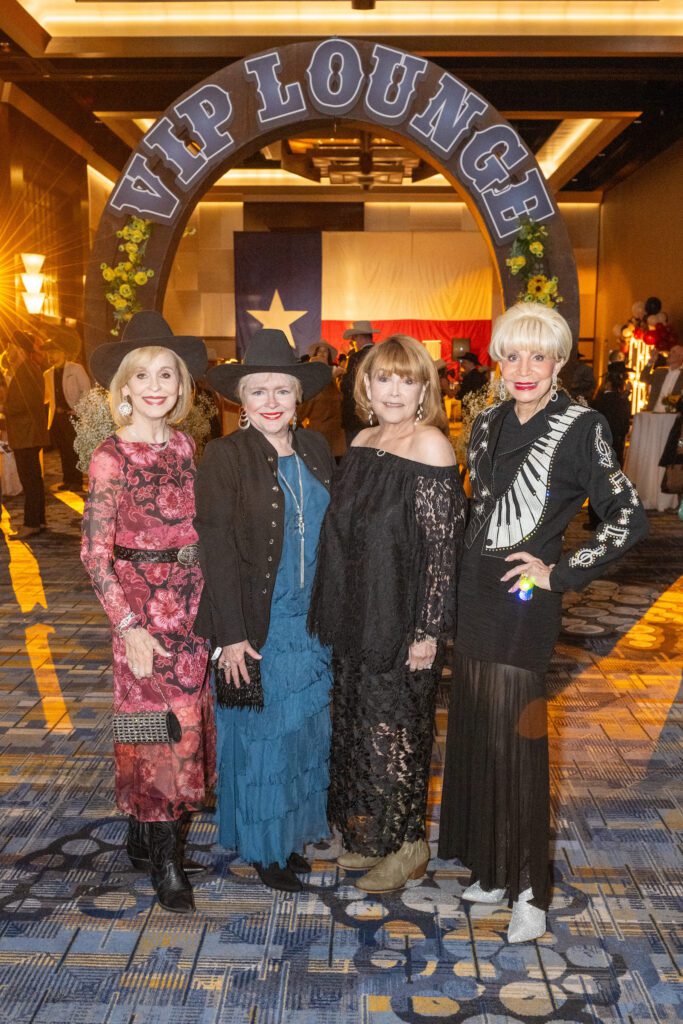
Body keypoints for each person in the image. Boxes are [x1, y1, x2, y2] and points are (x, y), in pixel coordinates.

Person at [438, 302, 649, 943]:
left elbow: (628, 518)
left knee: (518, 743)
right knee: (477, 732)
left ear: (559, 362)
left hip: (524, 602)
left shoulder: (581, 426)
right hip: (473, 596)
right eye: (513, 355)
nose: (524, 368)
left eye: (539, 355)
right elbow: (481, 507)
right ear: (498, 361)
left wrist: (561, 572)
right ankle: (495, 870)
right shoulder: (488, 421)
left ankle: (532, 889)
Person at [310, 335, 466, 893]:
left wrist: (428, 631)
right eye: (384, 378)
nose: (395, 389)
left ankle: (409, 844)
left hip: (402, 620)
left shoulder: (431, 447)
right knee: (359, 725)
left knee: (400, 730)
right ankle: (373, 837)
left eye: (407, 378)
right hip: (357, 613)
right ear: (366, 386)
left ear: (426, 387)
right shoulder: (366, 440)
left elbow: (443, 551)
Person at [81, 311, 215, 914]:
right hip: (137, 608)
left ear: (182, 386)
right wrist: (128, 626)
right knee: (151, 732)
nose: (156, 386)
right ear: (125, 388)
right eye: (144, 376)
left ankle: (144, 833)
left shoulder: (186, 444)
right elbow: (94, 551)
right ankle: (164, 860)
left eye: (168, 374)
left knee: (182, 725)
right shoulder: (111, 456)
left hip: (189, 603)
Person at [193, 328, 335, 893]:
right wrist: (230, 635)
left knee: (304, 732)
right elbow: (217, 549)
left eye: (283, 390)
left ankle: (290, 834)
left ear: (299, 397)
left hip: (312, 620)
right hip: (257, 620)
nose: (272, 401)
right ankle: (264, 847)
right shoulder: (224, 456)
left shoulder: (318, 448)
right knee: (263, 737)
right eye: (259, 391)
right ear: (241, 401)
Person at [3, 331, 50, 539]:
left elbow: (27, 402)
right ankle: (38, 521)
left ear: (20, 349)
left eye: (12, 347)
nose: (8, 351)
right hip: (27, 432)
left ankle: (31, 523)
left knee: (30, 480)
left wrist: (4, 407)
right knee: (34, 480)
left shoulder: (27, 370)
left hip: (26, 432)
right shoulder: (25, 369)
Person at [44, 345, 91, 490]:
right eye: (49, 352)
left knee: (74, 449)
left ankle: (76, 481)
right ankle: (67, 479)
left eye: (54, 351)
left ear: (63, 353)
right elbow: (47, 397)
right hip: (56, 418)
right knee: (63, 450)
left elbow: (86, 390)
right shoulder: (47, 373)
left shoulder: (75, 369)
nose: (51, 355)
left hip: (72, 415)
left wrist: (77, 409)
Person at [299, 341, 346, 461]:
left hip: (332, 438)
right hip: (323, 438)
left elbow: (300, 413)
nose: (322, 353)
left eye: (325, 351)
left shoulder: (330, 381)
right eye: (319, 351)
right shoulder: (320, 383)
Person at [340, 320, 379, 445]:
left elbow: (348, 386)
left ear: (360, 337)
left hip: (357, 417)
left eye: (354, 339)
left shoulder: (356, 357)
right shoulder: (382, 355)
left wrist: (341, 379)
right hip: (379, 414)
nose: (354, 343)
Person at [640, 344, 683, 411]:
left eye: (673, 352)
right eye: (670, 351)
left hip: (673, 415)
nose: (669, 354)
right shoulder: (660, 372)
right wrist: (651, 361)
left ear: (680, 357)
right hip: (654, 411)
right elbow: (643, 378)